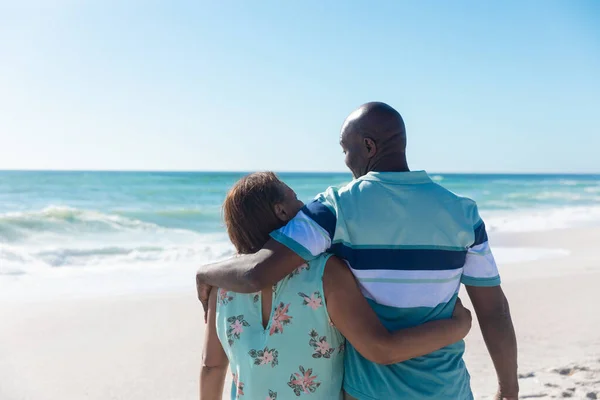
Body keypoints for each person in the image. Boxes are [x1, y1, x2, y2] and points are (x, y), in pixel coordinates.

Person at [197, 103, 519, 400]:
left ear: (368, 146)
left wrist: (205, 272)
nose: (346, 160)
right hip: (448, 390)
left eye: (345, 149)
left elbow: (258, 271)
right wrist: (507, 385)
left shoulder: (336, 208)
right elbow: (494, 311)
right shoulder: (463, 214)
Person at [200, 172, 472, 400]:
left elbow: (212, 367)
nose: (304, 207)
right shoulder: (325, 273)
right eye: (296, 199)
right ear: (281, 212)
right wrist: (458, 326)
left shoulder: (221, 284)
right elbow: (380, 349)